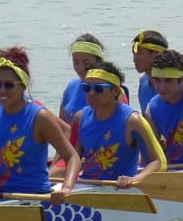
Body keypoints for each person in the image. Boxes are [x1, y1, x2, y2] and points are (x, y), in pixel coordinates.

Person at [0, 47, 79, 205]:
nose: (1, 90)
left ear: (22, 86)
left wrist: (66, 188)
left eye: (9, 85)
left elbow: (73, 157)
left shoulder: (40, 116)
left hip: (34, 197)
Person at [66, 60, 166, 188]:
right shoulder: (79, 118)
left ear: (115, 91)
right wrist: (66, 186)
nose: (91, 93)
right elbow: (71, 158)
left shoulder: (133, 121)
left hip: (119, 188)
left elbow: (159, 161)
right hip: (87, 184)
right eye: (86, 88)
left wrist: (135, 179)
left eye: (98, 88)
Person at [58, 34, 114, 126]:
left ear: (99, 61)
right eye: (76, 63)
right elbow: (61, 126)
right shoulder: (71, 87)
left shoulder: (111, 90)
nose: (80, 68)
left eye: (86, 63)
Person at [130, 29, 168, 114]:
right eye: (134, 54)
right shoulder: (143, 81)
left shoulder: (174, 84)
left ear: (157, 54)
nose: (134, 59)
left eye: (139, 53)